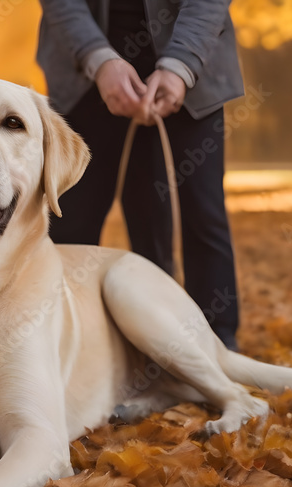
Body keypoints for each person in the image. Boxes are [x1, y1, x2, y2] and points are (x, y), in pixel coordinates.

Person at [37, 0, 245, 350]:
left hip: (196, 58)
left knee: (201, 214)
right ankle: (57, 340)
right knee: (71, 218)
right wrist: (99, 60)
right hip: (83, 75)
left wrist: (181, 65)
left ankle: (217, 345)